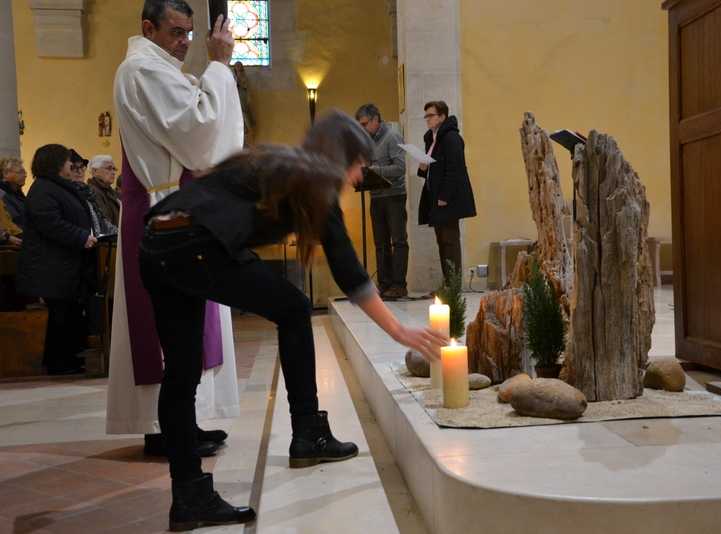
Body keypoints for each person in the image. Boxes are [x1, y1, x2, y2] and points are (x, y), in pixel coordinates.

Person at [138, 110, 446, 531]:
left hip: (156, 245)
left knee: (181, 373)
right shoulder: (313, 180)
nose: (359, 177)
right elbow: (347, 267)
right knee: (295, 308)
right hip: (195, 244)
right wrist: (399, 329)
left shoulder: (277, 161)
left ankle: (190, 496)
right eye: (359, 165)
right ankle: (308, 433)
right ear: (341, 157)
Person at [107, 0, 244, 458]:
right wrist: (219, 67)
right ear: (149, 28)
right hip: (163, 206)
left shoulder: (158, 67)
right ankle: (165, 429)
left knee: (190, 325)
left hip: (179, 203)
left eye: (189, 33)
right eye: (177, 33)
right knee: (169, 327)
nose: (186, 42)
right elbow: (199, 137)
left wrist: (205, 80)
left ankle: (185, 421)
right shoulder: (144, 69)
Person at [15, 144, 116, 374]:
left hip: (66, 265)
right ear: (55, 163)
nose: (71, 165)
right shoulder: (43, 189)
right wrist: (82, 236)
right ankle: (59, 364)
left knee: (69, 316)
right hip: (50, 265)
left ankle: (69, 359)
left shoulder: (61, 188)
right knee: (61, 317)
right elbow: (49, 222)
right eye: (66, 160)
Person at [416, 100, 477, 282]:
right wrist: (423, 168)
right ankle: (447, 284)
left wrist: (444, 196)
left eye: (430, 115)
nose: (427, 119)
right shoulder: (431, 138)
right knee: (441, 242)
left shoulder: (451, 138)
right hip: (436, 197)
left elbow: (455, 169)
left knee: (450, 242)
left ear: (442, 117)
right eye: (425, 116)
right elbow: (436, 167)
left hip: (449, 198)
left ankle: (454, 285)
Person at [355, 103, 409, 298]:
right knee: (381, 243)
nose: (362, 129)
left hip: (394, 196)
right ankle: (384, 283)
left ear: (375, 119)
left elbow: (400, 168)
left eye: (364, 124)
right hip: (376, 195)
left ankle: (399, 285)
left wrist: (373, 170)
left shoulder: (392, 137)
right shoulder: (368, 141)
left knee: (398, 241)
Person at [87, 155, 121, 226]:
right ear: (95, 171)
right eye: (109, 168)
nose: (113, 172)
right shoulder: (93, 192)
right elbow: (105, 222)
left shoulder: (109, 190)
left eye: (114, 169)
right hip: (111, 236)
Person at [0, 157, 29, 231]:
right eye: (20, 172)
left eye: (24, 172)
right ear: (6, 174)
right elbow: (13, 220)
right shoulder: (3, 195)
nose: (25, 175)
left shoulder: (17, 194)